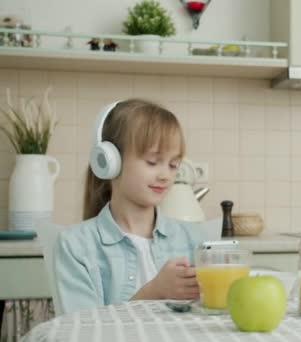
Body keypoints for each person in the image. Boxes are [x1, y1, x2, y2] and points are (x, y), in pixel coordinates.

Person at [54, 99, 202, 314]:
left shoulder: (192, 239)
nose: (165, 176)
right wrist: (154, 292)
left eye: (173, 165)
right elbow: (81, 329)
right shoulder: (75, 246)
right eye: (152, 162)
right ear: (109, 161)